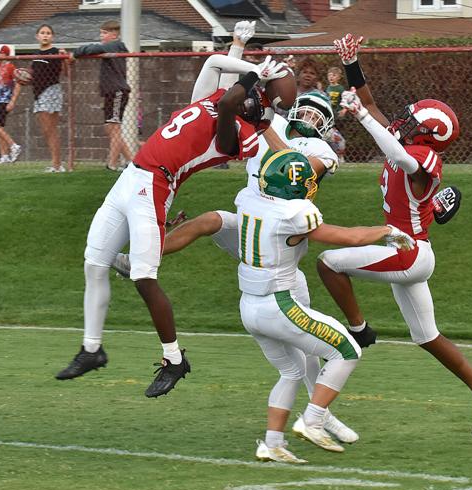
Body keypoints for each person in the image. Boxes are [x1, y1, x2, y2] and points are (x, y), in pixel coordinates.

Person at [110, 21, 389, 443]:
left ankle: (321, 409)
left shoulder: (320, 150)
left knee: (307, 345)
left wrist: (264, 124)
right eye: (306, 110)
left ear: (329, 124)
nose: (310, 117)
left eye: (319, 113)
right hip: (255, 223)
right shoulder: (268, 129)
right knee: (209, 220)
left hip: (281, 237)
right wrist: (242, 63)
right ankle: (141, 259)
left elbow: (294, 168)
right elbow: (221, 113)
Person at [54, 47, 288, 399]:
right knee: (94, 263)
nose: (240, 94)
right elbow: (213, 63)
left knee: (144, 277)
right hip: (131, 178)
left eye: (247, 96)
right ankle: (91, 350)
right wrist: (254, 66)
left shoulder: (233, 132)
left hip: (155, 185)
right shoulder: (213, 101)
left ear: (249, 108)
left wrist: (254, 77)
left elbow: (230, 104)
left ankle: (174, 360)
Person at [318, 33, 472, 437]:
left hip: (408, 251)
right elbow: (369, 104)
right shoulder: (407, 142)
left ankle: (357, 329)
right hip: (411, 250)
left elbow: (397, 153)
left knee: (329, 262)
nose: (404, 119)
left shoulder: (422, 155)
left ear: (428, 135)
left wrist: (366, 121)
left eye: (413, 120)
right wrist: (353, 64)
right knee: (427, 336)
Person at [238, 149, 414, 463]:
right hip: (277, 304)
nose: (309, 185)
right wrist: (388, 231)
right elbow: (350, 237)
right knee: (348, 350)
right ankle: (314, 420)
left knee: (291, 371)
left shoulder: (250, 200)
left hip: (248, 306)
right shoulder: (294, 214)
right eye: (305, 181)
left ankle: (273, 444)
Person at [72, 20, 133, 172]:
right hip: (109, 92)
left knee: (114, 128)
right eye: (101, 33)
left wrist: (75, 53)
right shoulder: (108, 48)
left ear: (114, 34)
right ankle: (133, 163)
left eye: (105, 33)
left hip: (117, 91)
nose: (102, 36)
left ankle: (111, 164)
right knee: (110, 129)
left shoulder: (116, 45)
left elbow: (93, 48)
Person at [8, 24, 67, 172]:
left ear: (52, 36)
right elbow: (33, 76)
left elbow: (65, 72)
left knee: (50, 129)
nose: (45, 35)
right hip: (39, 94)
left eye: (48, 33)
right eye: (42, 33)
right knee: (47, 130)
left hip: (51, 91)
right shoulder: (36, 55)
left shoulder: (55, 52)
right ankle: (56, 163)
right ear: (37, 36)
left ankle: (57, 164)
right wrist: (25, 79)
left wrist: (65, 58)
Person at [324, 66, 346, 163]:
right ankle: (334, 155)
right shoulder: (327, 88)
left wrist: (344, 110)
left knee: (338, 138)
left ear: (339, 77)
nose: (331, 77)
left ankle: (340, 156)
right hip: (329, 116)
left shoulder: (340, 88)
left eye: (334, 75)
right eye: (329, 75)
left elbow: (345, 100)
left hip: (337, 117)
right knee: (332, 136)